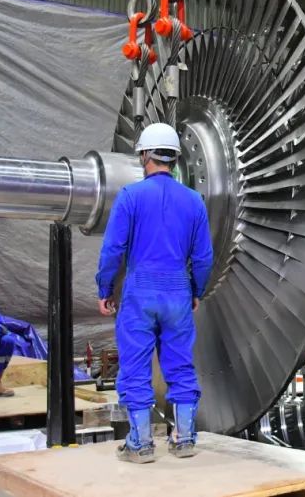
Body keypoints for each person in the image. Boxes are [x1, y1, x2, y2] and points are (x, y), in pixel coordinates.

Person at [97, 123, 214, 464]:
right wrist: (196, 290)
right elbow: (203, 257)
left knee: (135, 367)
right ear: (175, 158)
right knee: (180, 365)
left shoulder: (130, 196)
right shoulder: (194, 201)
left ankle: (141, 444)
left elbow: (112, 249)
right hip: (178, 292)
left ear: (145, 155)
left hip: (140, 293)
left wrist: (105, 288)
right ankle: (185, 438)